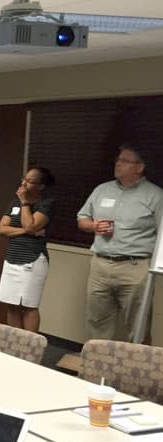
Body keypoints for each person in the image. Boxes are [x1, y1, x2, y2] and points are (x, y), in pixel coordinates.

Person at [77, 144, 163, 341]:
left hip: (135, 267)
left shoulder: (156, 196)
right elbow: (82, 218)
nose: (118, 163)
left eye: (124, 161)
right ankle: (96, 368)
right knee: (96, 321)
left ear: (139, 167)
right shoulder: (101, 190)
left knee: (138, 324)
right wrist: (93, 226)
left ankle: (137, 369)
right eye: (118, 160)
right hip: (100, 264)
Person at [0, 167, 55, 332]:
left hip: (33, 259)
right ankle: (14, 345)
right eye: (24, 178)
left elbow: (30, 224)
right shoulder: (14, 202)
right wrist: (26, 231)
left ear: (41, 186)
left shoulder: (46, 204)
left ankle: (30, 349)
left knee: (29, 306)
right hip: (12, 257)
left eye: (30, 181)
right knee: (12, 304)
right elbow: (2, 229)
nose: (24, 183)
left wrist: (24, 203)